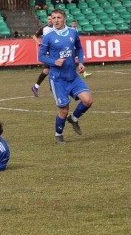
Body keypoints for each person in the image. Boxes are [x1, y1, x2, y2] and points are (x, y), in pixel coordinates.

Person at [39, 9, 93, 144]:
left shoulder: (73, 32)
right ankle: (59, 134)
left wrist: (80, 62)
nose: (56, 20)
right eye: (53, 18)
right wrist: (53, 62)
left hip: (72, 76)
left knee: (88, 100)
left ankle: (74, 119)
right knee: (64, 110)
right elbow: (40, 56)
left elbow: (79, 48)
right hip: (57, 79)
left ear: (64, 19)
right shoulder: (48, 36)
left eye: (58, 18)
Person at [31, 14, 54, 97]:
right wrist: (39, 44)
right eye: (49, 19)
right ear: (47, 20)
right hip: (47, 52)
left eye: (51, 19)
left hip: (55, 52)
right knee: (47, 70)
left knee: (49, 70)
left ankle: (36, 87)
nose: (50, 20)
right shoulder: (44, 29)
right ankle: (50, 87)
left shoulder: (57, 29)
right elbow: (34, 36)